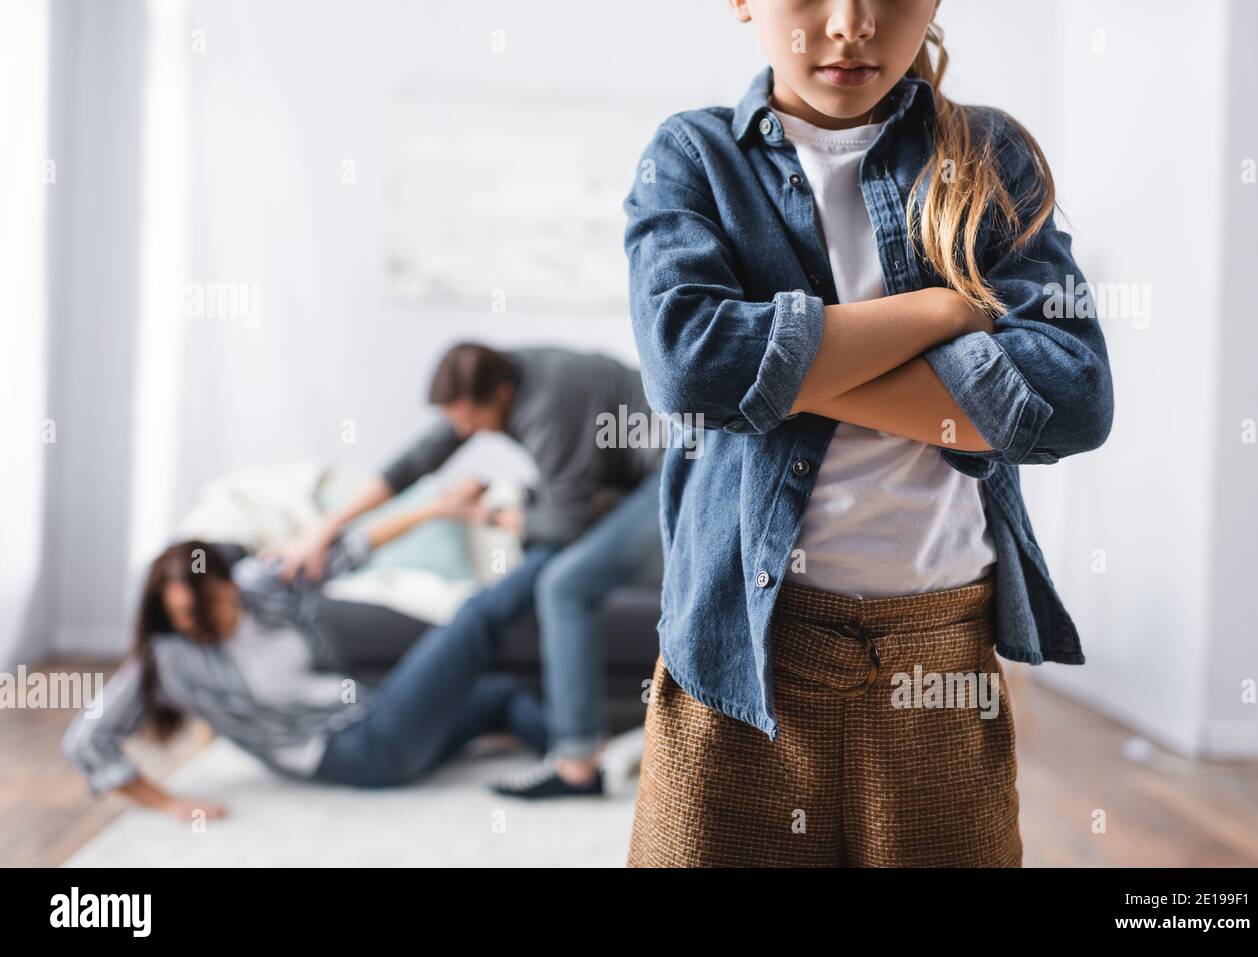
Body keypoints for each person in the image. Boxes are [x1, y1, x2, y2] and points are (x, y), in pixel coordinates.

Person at [622, 0, 1113, 866]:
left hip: (941, 658)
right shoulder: (693, 156)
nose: (852, 24)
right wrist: (941, 311)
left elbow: (1071, 399)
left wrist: (785, 377)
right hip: (738, 654)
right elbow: (691, 370)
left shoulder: (988, 158)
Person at [271, 343, 664, 798]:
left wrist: (485, 516)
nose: (463, 431)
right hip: (628, 481)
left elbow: (567, 525)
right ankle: (577, 749)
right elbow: (415, 462)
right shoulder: (494, 382)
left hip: (681, 470)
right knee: (544, 560)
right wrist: (323, 530)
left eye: (469, 420)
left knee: (563, 586)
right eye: (455, 421)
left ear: (499, 395)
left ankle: (577, 766)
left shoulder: (548, 404)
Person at [63, 483, 555, 820]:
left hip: (380, 719)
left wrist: (434, 509)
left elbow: (353, 549)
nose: (200, 626)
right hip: (355, 754)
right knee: (472, 620)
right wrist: (171, 804)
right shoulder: (168, 658)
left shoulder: (260, 585)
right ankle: (556, 546)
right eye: (184, 619)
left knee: (501, 694)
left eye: (208, 607)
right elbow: (85, 741)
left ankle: (572, 763)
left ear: (226, 582)